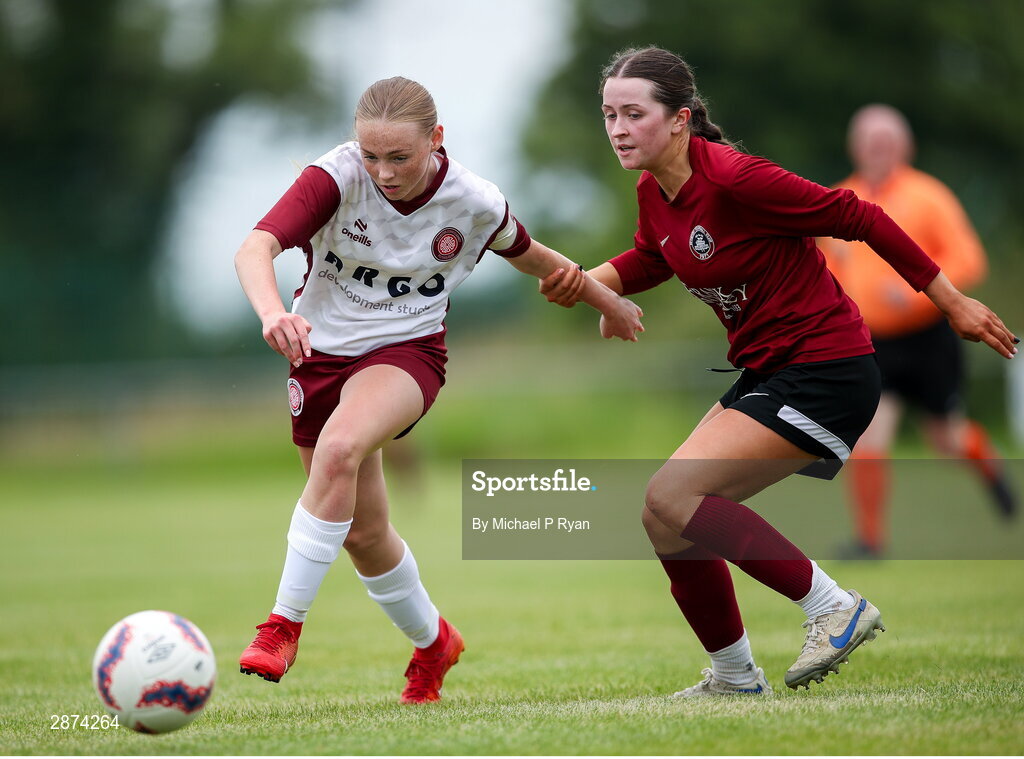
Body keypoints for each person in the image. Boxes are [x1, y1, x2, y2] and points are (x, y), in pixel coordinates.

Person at [541, 46, 1017, 696]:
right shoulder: (655, 189)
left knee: (673, 496)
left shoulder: (736, 177)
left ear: (680, 119)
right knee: (662, 517)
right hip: (770, 369)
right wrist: (594, 284)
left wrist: (952, 301)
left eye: (633, 113)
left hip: (827, 367)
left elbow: (861, 216)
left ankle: (833, 607)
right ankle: (735, 677)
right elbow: (657, 256)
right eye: (608, 114)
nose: (618, 129)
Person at [233, 76, 643, 704]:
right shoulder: (335, 178)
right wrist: (270, 312)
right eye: (371, 156)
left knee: (340, 449)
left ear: (436, 140)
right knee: (363, 536)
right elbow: (255, 247)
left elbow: (534, 257)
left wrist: (605, 299)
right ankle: (434, 644)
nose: (383, 172)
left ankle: (281, 626)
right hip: (317, 358)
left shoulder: (472, 201)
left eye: (399, 156)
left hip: (406, 354)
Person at [819, 104, 1016, 559]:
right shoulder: (838, 200)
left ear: (905, 147)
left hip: (929, 337)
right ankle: (870, 541)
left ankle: (991, 468)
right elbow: (824, 271)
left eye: (886, 142)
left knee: (945, 438)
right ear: (855, 147)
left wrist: (915, 294)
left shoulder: (929, 196)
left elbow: (970, 258)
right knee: (868, 435)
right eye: (869, 142)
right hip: (871, 341)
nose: (877, 150)